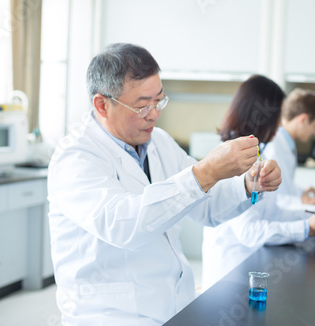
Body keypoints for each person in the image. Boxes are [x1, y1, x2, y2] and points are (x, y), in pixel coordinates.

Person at [47, 43, 282, 326]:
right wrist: (205, 172)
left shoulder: (159, 142)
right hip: (111, 316)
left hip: (171, 308)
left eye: (159, 100)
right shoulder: (75, 158)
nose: (155, 113)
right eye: (142, 105)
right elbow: (124, 225)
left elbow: (205, 207)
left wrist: (248, 184)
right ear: (102, 105)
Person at [201, 75, 315, 290]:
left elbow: (271, 212)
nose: (281, 123)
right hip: (229, 278)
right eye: (278, 115)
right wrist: (305, 228)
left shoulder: (256, 152)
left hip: (251, 270)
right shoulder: (231, 161)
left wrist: (314, 213)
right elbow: (249, 232)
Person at [262, 88, 315, 210]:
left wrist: (301, 192)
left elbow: (284, 186)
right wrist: (303, 202)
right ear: (303, 119)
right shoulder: (275, 147)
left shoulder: (287, 143)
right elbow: (274, 198)